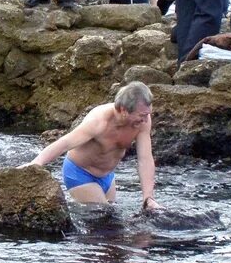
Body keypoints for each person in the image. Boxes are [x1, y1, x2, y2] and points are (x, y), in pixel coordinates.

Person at [27, 82, 159, 209]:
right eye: (142, 115)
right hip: (80, 173)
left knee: (111, 217)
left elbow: (145, 159)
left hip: (107, 176)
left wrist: (148, 198)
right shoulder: (99, 121)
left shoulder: (142, 122)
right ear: (124, 110)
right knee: (106, 219)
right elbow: (65, 143)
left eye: (148, 114)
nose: (146, 120)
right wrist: (36, 163)